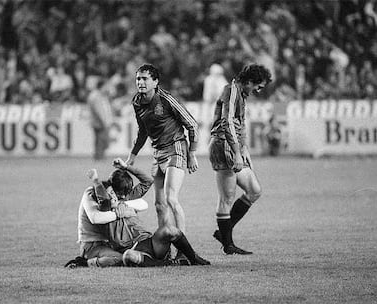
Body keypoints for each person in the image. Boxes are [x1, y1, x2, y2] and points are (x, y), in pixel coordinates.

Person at [65, 158, 210, 268]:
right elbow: (101, 206)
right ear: (109, 191)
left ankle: (194, 258)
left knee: (169, 229)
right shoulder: (105, 205)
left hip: (148, 241)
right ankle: (168, 263)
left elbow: (147, 182)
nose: (120, 197)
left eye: (122, 195)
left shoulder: (126, 199)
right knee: (128, 256)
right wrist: (96, 181)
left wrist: (127, 169)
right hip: (133, 249)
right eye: (115, 194)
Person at [125, 64, 199, 262]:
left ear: (155, 82)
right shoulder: (137, 102)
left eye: (145, 79)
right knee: (159, 205)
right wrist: (132, 155)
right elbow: (143, 131)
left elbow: (192, 124)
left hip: (176, 148)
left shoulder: (166, 99)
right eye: (138, 79)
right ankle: (165, 251)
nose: (140, 82)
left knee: (171, 199)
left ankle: (183, 252)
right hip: (158, 154)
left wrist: (191, 153)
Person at [209, 63, 272, 255]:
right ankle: (228, 245)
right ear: (249, 81)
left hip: (233, 147)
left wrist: (244, 150)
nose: (259, 91)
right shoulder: (231, 91)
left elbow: (240, 123)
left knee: (254, 190)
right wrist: (237, 152)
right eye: (258, 86)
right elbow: (227, 122)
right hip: (223, 145)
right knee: (227, 197)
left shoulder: (240, 94)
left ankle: (223, 233)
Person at [87, 79, 113, 160]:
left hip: (99, 121)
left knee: (99, 140)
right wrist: (104, 121)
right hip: (99, 122)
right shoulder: (96, 96)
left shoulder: (99, 95)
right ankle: (99, 156)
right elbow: (99, 111)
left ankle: (98, 156)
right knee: (101, 140)